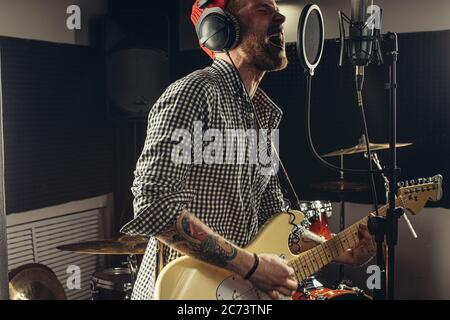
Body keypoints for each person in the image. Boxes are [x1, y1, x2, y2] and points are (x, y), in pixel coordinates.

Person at [120, 0, 376, 300]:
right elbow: (154, 204)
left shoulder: (262, 115)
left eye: (276, 10)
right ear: (221, 28)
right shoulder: (194, 94)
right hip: (181, 294)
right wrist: (251, 266)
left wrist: (338, 251)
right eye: (263, 9)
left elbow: (277, 219)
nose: (280, 18)